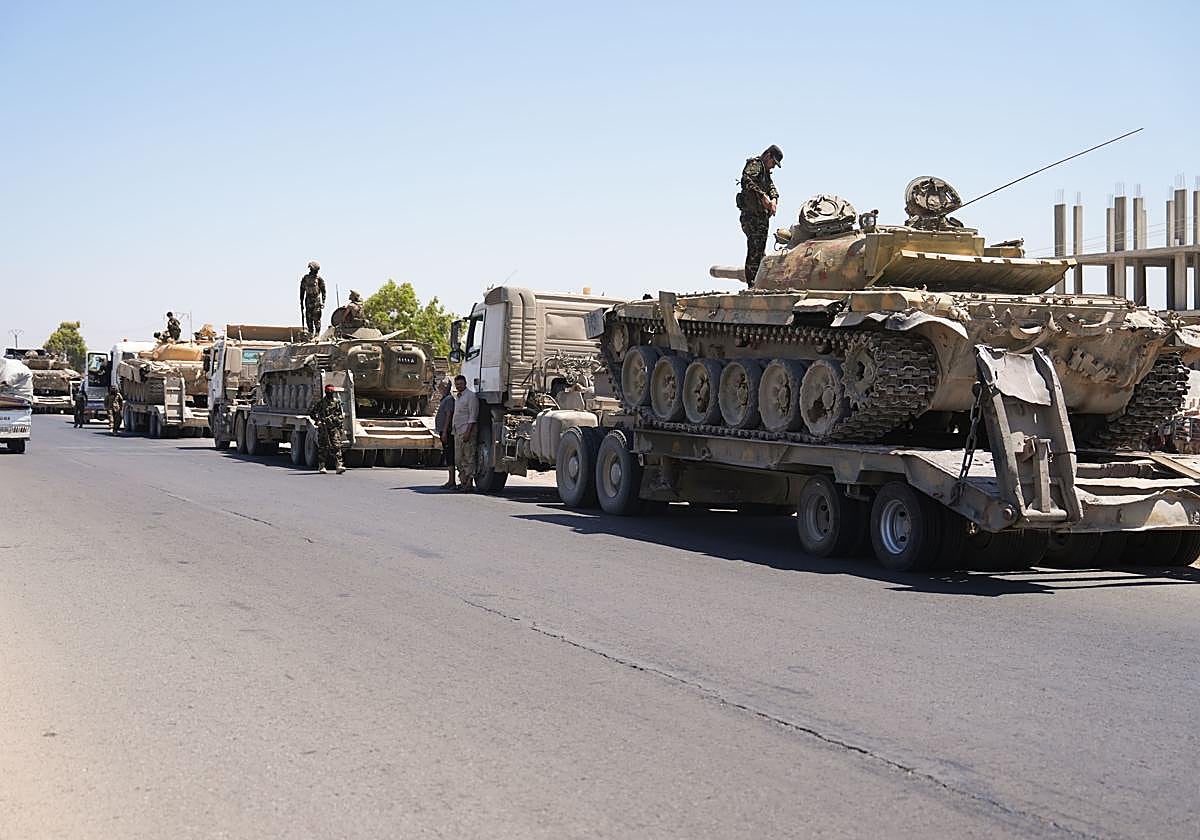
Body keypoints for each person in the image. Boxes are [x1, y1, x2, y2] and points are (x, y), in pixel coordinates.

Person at [737, 144, 782, 287]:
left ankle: (759, 283)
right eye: (773, 162)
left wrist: (774, 199)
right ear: (768, 156)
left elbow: (772, 187)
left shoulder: (765, 172)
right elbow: (747, 181)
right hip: (752, 217)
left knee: (760, 251)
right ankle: (752, 284)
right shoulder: (755, 165)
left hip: (761, 218)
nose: (773, 166)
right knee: (754, 251)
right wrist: (763, 196)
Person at [309, 383, 346, 474]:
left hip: (333, 428)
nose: (330, 393)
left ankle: (339, 466)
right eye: (329, 391)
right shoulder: (321, 403)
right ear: (326, 392)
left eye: (331, 391)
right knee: (323, 447)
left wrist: (337, 423)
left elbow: (341, 415)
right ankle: (322, 466)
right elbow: (312, 413)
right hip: (323, 428)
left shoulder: (336, 402)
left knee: (337, 446)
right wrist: (318, 421)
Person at [451, 374, 478, 492]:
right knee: (459, 459)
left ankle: (469, 483)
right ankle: (462, 482)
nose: (459, 386)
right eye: (457, 384)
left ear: (465, 383)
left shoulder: (471, 396)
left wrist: (468, 432)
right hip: (457, 432)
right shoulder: (458, 397)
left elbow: (473, 416)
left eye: (461, 384)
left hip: (467, 432)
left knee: (469, 457)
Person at [433, 379, 456, 488]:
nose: (439, 388)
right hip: (443, 430)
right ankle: (451, 480)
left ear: (446, 387)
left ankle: (452, 480)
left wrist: (445, 431)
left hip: (446, 431)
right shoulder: (445, 399)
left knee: (450, 455)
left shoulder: (449, 399)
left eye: (441, 386)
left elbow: (448, 415)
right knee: (448, 454)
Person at [300, 261, 326, 336]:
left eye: (312, 269)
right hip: (308, 300)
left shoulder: (319, 279)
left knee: (317, 318)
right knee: (308, 318)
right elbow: (302, 290)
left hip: (316, 301)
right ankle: (310, 333)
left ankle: (317, 334)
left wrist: (323, 302)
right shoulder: (305, 278)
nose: (311, 270)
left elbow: (324, 291)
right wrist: (301, 302)